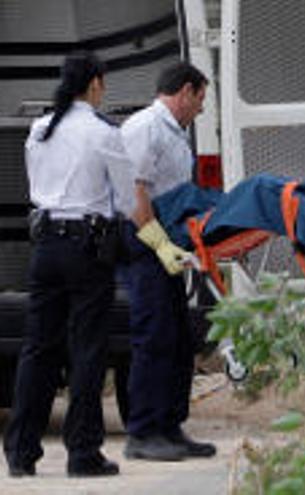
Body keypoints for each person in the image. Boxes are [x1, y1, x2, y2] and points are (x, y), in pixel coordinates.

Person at [3, 51, 135, 477]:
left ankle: (21, 452)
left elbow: (38, 188)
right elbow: (128, 199)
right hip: (86, 250)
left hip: (46, 249)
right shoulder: (102, 132)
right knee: (87, 351)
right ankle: (82, 453)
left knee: (38, 349)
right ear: (95, 84)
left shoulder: (40, 129)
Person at [120, 62, 216, 461]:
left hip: (170, 241)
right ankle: (142, 432)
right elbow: (134, 192)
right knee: (154, 335)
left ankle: (170, 426)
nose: (201, 109)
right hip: (145, 241)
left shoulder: (174, 133)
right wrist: (158, 243)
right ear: (186, 92)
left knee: (178, 338)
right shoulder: (145, 128)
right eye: (201, 99)